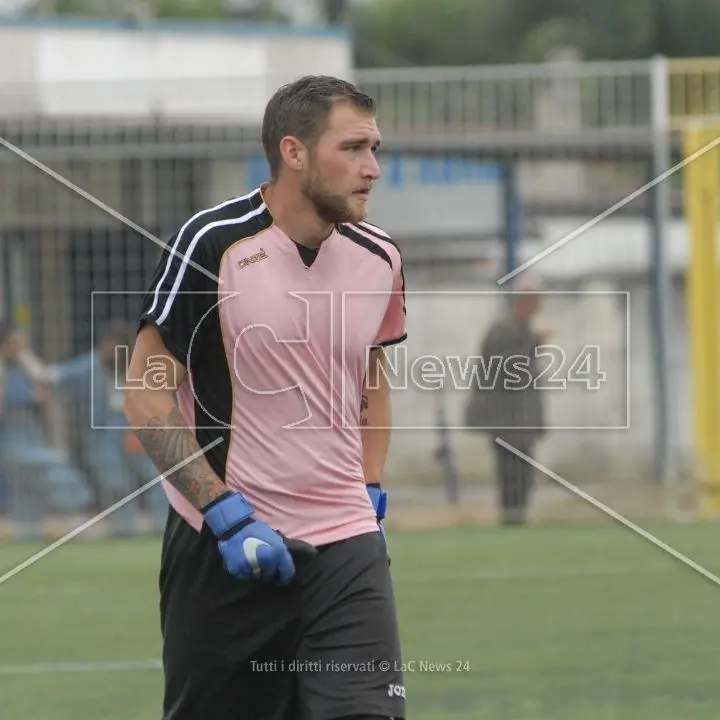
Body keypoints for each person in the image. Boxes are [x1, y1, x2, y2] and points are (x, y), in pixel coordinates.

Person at [124, 75, 408, 720]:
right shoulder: (213, 243)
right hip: (224, 547)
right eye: (355, 148)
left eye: (376, 149)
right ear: (295, 151)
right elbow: (146, 395)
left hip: (347, 547)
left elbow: (372, 379)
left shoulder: (381, 256)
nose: (374, 169)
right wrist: (225, 515)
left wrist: (368, 494)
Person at [464, 276, 548, 526]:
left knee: (523, 469)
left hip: (520, 418)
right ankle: (512, 515)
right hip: (506, 418)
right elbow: (511, 372)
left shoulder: (520, 330)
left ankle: (518, 513)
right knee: (511, 470)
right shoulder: (503, 331)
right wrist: (534, 343)